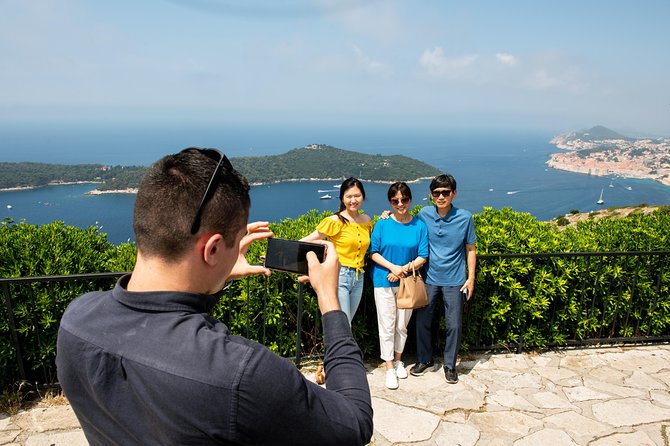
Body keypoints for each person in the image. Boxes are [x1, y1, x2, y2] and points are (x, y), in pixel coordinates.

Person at [56, 148, 373, 445]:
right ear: (212, 249)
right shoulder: (241, 372)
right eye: (237, 242)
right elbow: (354, 423)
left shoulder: (77, 320)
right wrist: (330, 302)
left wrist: (217, 274)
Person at [409, 174, 476, 384]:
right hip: (429, 278)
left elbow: (471, 249)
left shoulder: (465, 218)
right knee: (422, 322)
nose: (441, 196)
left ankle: (449, 365)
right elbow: (407, 225)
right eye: (436, 193)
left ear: (453, 194)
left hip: (455, 280)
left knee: (454, 325)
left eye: (445, 192)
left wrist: (471, 278)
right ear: (431, 195)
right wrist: (386, 216)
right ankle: (424, 359)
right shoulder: (424, 214)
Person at [369, 182, 428, 390]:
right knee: (386, 325)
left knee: (402, 325)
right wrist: (393, 268)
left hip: (407, 284)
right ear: (390, 202)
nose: (400, 204)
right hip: (382, 281)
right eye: (395, 200)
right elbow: (374, 252)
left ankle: (398, 359)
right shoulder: (382, 224)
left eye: (404, 199)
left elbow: (423, 255)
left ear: (410, 200)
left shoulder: (419, 225)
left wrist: (402, 270)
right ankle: (389, 368)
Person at [302, 177, 374, 325]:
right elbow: (311, 239)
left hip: (358, 277)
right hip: (339, 275)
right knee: (343, 323)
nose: (353, 200)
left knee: (347, 323)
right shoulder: (335, 220)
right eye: (348, 196)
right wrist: (278, 251)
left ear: (363, 196)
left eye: (357, 196)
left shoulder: (366, 220)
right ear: (342, 198)